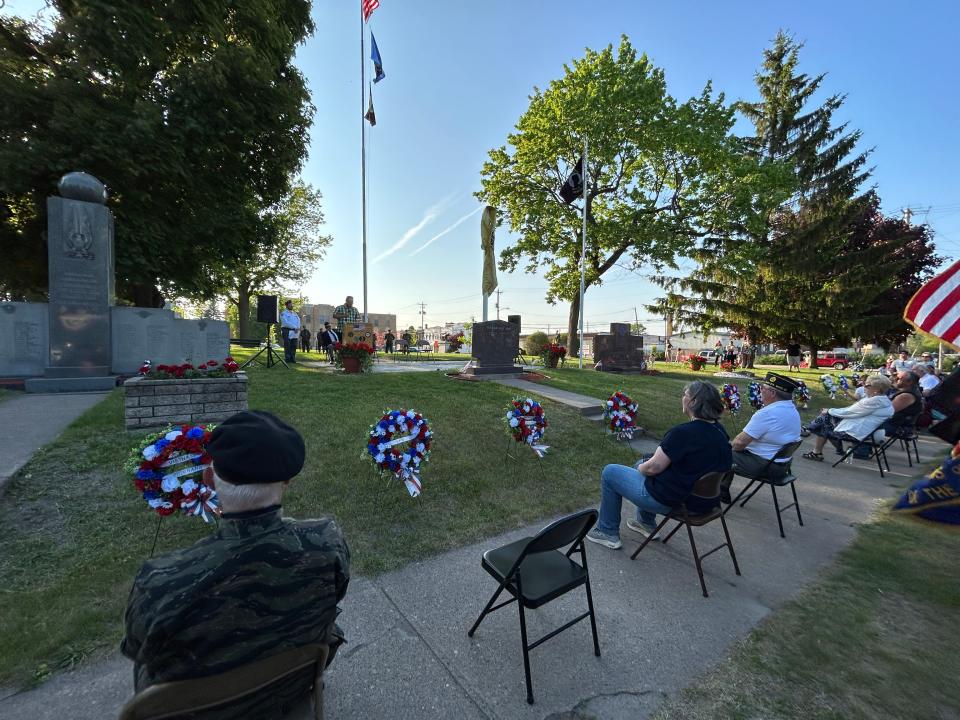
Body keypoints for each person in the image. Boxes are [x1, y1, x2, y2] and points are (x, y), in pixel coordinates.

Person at [121, 411, 350, 718]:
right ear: (288, 481)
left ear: (208, 480)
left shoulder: (160, 580)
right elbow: (337, 594)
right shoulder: (326, 542)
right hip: (287, 689)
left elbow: (137, 650)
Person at [586, 381, 732, 548]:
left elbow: (653, 468)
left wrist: (642, 468)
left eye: (685, 395)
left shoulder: (683, 433)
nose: (682, 398)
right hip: (705, 502)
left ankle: (607, 531)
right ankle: (645, 522)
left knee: (611, 472)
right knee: (641, 461)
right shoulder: (720, 432)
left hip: (676, 502)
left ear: (693, 402)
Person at [725, 372, 802, 501]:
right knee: (726, 450)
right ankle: (721, 489)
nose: (760, 391)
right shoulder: (792, 410)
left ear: (772, 393)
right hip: (783, 466)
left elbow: (739, 443)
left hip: (766, 467)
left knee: (718, 452)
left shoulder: (768, 413)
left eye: (762, 388)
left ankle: (710, 494)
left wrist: (727, 449)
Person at [802, 374, 894, 461]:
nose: (863, 386)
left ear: (876, 390)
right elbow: (850, 410)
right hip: (867, 431)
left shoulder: (873, 401)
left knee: (825, 421)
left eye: (866, 385)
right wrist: (831, 410)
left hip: (858, 433)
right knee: (826, 419)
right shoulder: (883, 400)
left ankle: (809, 433)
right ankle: (813, 442)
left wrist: (829, 410)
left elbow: (850, 412)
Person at [883, 370, 923, 435]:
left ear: (909, 382)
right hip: (894, 423)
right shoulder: (909, 391)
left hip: (897, 427)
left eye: (899, 378)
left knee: (865, 422)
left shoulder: (907, 395)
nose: (895, 379)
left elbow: (888, 411)